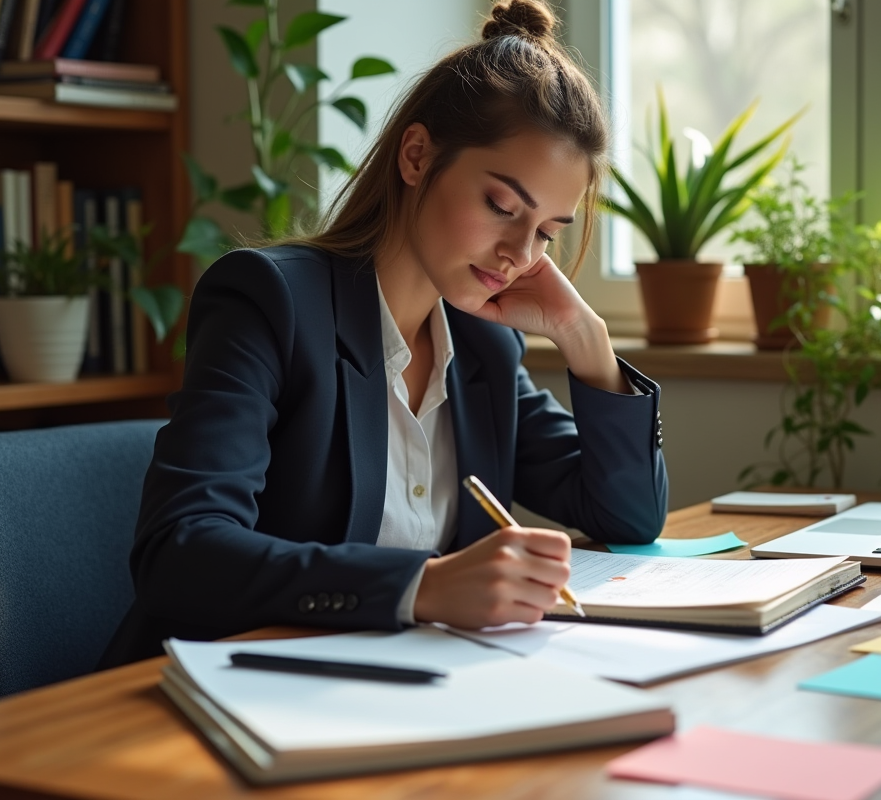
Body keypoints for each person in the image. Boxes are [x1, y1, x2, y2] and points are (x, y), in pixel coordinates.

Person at [99, 0, 667, 668]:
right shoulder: (269, 300)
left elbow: (626, 517)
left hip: (398, 689)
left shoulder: (483, 346)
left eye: (546, 232)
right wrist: (421, 587)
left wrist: (584, 338)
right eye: (502, 206)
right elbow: (180, 555)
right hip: (223, 692)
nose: (520, 252)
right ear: (418, 155)